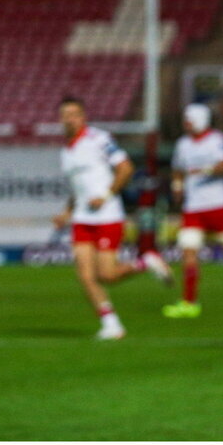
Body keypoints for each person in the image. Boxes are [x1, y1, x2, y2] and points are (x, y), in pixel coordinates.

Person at [54, 96, 173, 340]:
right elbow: (77, 188)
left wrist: (106, 194)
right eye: (65, 115)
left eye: (74, 113)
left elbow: (125, 167)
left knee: (106, 275)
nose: (69, 119)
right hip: (81, 218)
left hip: (107, 215)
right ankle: (111, 324)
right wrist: (67, 211)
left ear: (83, 116)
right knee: (85, 275)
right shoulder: (66, 149)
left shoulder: (98, 139)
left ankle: (145, 261)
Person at [163, 103, 223, 319]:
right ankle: (189, 301)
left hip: (219, 204)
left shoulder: (217, 139)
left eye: (189, 119)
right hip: (193, 207)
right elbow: (177, 170)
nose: (186, 124)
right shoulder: (183, 144)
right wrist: (177, 187)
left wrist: (203, 170)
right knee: (189, 251)